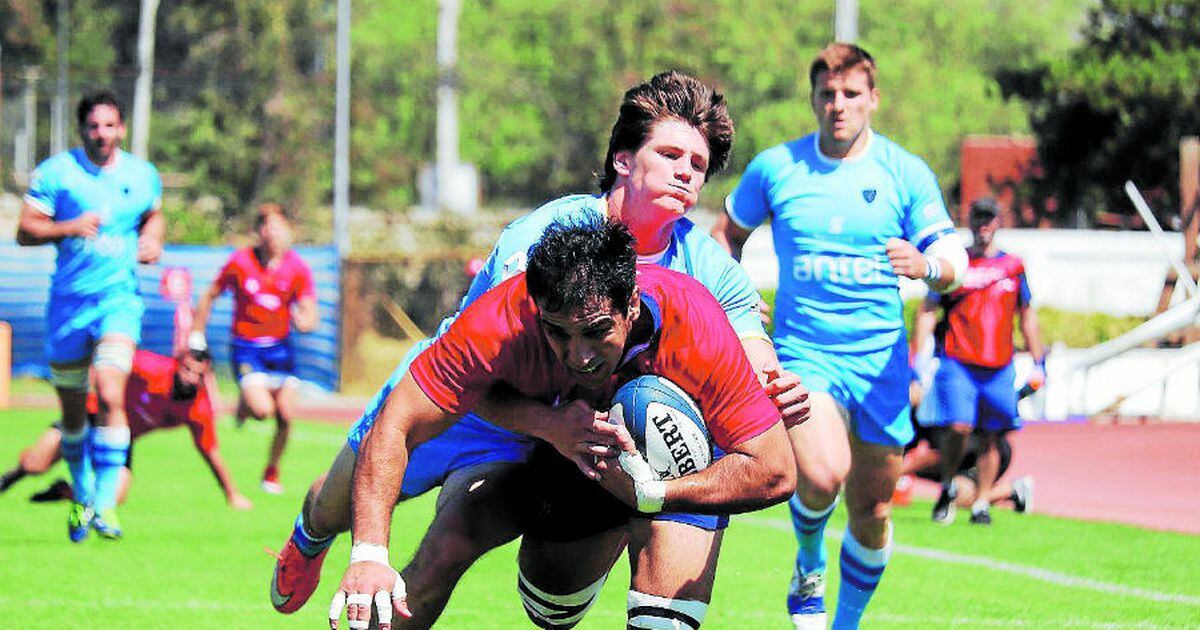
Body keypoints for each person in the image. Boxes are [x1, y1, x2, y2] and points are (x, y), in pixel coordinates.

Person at [268, 71, 809, 626]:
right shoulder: (545, 240)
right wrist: (548, 425)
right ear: (623, 159)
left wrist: (775, 386)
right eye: (670, 153)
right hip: (473, 401)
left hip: (568, 432)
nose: (685, 172)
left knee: (444, 551)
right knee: (339, 504)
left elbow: (750, 351)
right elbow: (490, 369)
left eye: (697, 165)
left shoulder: (712, 272)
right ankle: (308, 537)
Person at [329, 218, 796, 630]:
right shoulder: (502, 318)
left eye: (596, 330)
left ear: (631, 304)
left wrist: (652, 493)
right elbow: (395, 422)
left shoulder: (693, 321)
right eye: (558, 332)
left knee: (663, 622)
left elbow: (775, 470)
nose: (580, 354)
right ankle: (311, 534)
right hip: (565, 468)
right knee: (549, 607)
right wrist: (368, 555)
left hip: (680, 470)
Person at [711, 43, 969, 629]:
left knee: (874, 508)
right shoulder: (777, 168)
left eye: (851, 93)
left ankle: (844, 625)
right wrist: (731, 294)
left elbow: (954, 255)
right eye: (827, 94)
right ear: (812, 99)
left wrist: (928, 265)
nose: (838, 105)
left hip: (881, 365)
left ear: (873, 99)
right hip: (805, 354)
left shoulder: (905, 173)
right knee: (823, 473)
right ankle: (807, 561)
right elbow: (725, 234)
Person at [16, 89, 164, 542]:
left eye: (110, 125)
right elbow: (25, 231)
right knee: (74, 415)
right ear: (83, 130)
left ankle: (104, 506)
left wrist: (153, 239)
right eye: (94, 126)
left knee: (110, 387)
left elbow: (153, 215)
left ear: (121, 128)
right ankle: (82, 493)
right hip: (68, 307)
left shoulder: (142, 175)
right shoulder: (58, 173)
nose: (102, 134)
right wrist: (68, 227)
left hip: (117, 302)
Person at [912, 197, 1045, 526]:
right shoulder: (957, 265)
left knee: (992, 434)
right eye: (979, 218)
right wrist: (918, 356)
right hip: (959, 361)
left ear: (999, 221)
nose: (984, 225)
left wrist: (1039, 361)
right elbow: (929, 309)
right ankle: (947, 486)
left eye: (990, 219)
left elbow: (1026, 315)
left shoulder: (1013, 266)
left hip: (999, 364)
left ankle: (982, 502)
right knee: (959, 427)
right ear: (969, 221)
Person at [0, 349, 253, 511]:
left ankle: (64, 490)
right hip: (89, 416)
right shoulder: (150, 367)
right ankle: (8, 479)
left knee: (113, 498)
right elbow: (110, 359)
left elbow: (210, 452)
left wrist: (232, 494)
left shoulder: (197, 409)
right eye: (187, 370)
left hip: (119, 437)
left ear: (205, 377)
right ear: (177, 365)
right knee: (34, 464)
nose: (190, 378)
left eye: (198, 374)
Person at [190, 202, 318, 494]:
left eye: (275, 226)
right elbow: (210, 294)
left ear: (287, 230)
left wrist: (305, 320)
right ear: (258, 232)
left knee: (285, 415)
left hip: (281, 351)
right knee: (263, 411)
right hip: (246, 348)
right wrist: (197, 333)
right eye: (264, 226)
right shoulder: (241, 262)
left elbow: (310, 310)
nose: (269, 232)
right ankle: (248, 404)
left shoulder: (297, 267)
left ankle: (272, 471)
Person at [895, 423, 1034, 515]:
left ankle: (1013, 490)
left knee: (960, 500)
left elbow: (939, 456)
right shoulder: (910, 416)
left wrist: (896, 473)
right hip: (958, 463)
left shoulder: (943, 414)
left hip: (982, 455)